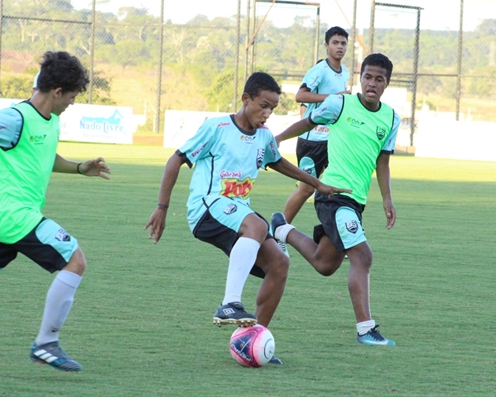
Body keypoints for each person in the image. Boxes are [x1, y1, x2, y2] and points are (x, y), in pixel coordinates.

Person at [144, 72, 349, 363]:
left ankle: (251, 341)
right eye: (263, 105)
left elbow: (279, 162)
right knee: (257, 224)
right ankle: (229, 304)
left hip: (236, 213)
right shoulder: (216, 127)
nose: (267, 114)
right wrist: (162, 207)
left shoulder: (263, 138)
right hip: (207, 206)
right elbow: (176, 158)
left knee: (279, 263)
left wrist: (318, 184)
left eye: (273, 109)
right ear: (246, 99)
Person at [0, 51, 111, 372]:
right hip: (17, 217)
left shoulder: (50, 120)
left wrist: (80, 168)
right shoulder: (16, 118)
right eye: (70, 96)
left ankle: (45, 343)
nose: (71, 103)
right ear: (56, 92)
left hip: (5, 220)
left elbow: (45, 155)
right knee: (75, 259)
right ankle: (45, 343)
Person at [271, 53, 399, 346]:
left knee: (325, 264)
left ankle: (282, 229)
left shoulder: (391, 118)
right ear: (360, 77)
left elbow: (383, 162)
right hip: (333, 196)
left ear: (386, 83)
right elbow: (307, 122)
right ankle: (366, 330)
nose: (372, 83)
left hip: (357, 203)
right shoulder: (340, 104)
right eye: (368, 77)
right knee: (363, 257)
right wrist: (277, 139)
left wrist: (387, 199)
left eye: (379, 79)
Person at [278, 26, 351, 255]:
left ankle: (338, 241)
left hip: (334, 140)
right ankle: (277, 233)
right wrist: (333, 97)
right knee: (306, 189)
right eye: (335, 42)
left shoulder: (345, 72)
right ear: (326, 45)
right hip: (312, 140)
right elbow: (301, 95)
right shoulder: (319, 70)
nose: (340, 47)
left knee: (336, 187)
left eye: (343, 43)